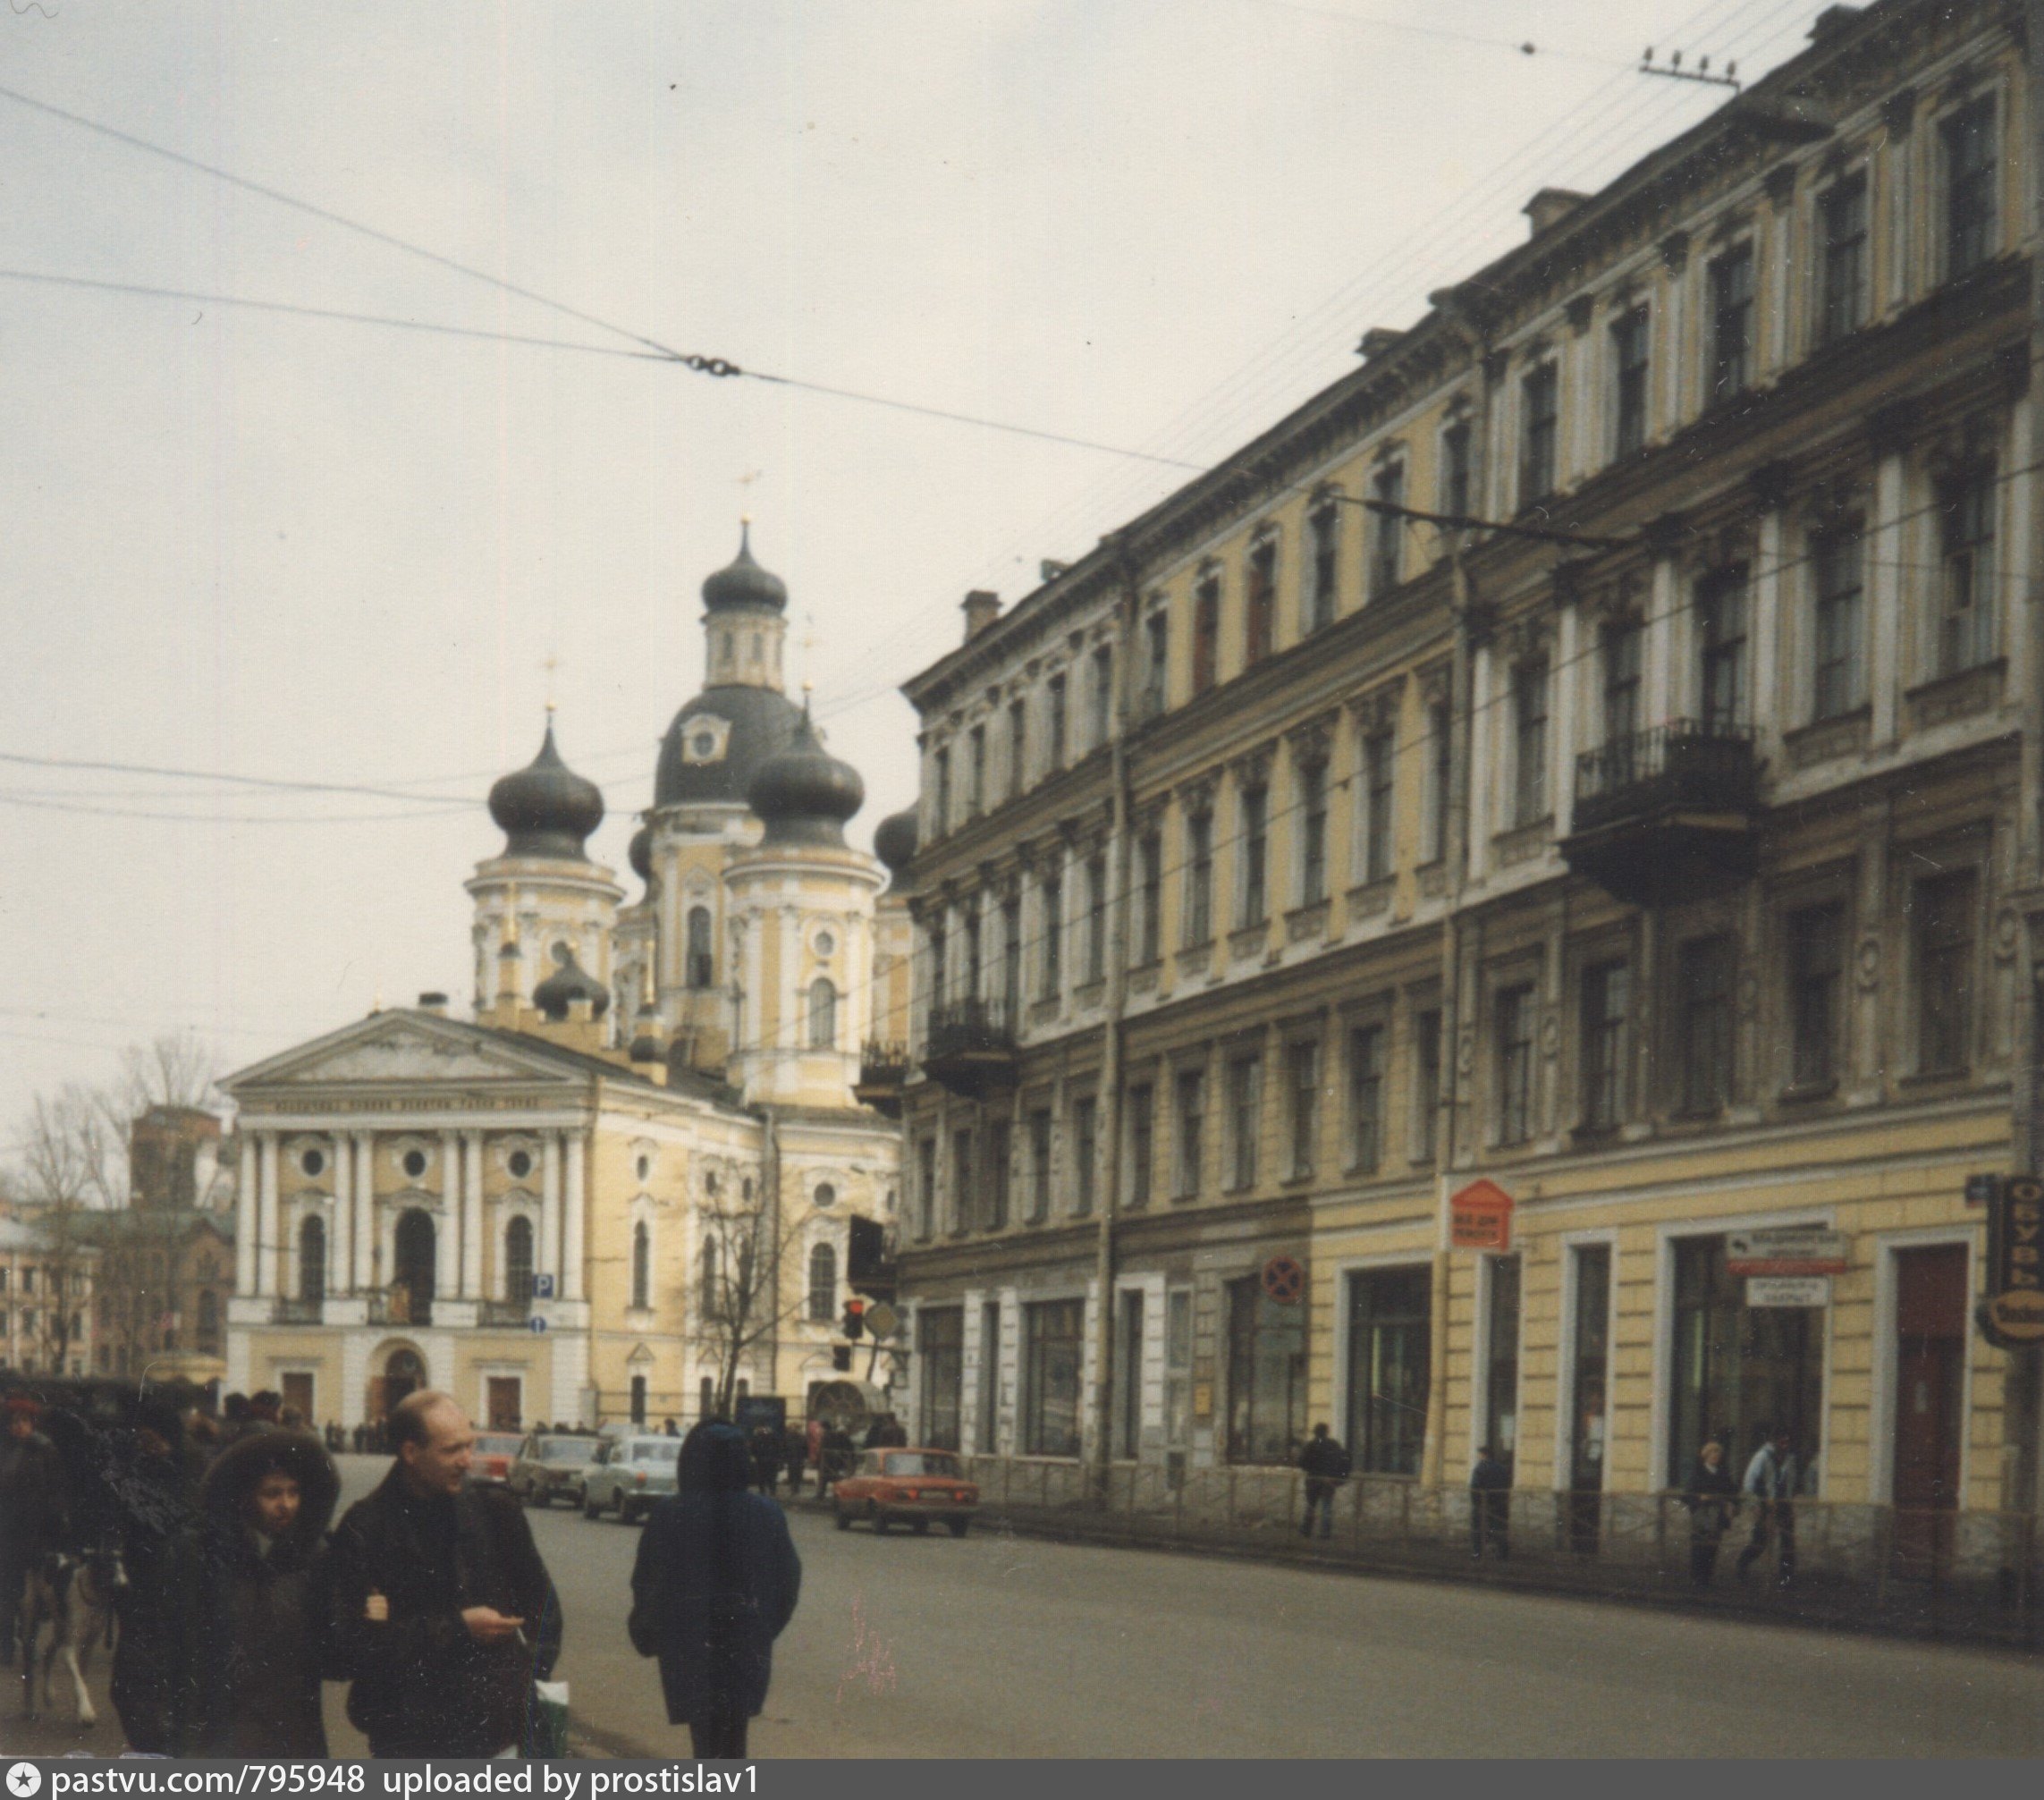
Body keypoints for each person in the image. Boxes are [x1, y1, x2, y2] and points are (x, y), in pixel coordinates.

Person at [325, 1390, 562, 1758]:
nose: (467, 1461)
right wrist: (457, 1628)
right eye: (452, 1450)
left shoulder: (494, 1511)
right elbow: (348, 1646)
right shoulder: (365, 1527)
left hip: (500, 1737)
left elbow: (545, 1611)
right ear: (410, 1452)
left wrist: (523, 1684)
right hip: (409, 1740)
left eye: (469, 1446)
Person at [156, 1429, 339, 1756]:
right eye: (272, 1494)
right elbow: (172, 1653)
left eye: (294, 1492)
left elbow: (333, 1659)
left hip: (293, 1741)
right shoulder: (200, 1555)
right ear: (244, 1498)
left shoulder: (318, 1558)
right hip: (220, 1741)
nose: (286, 1505)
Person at [629, 1422, 802, 1760]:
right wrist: (764, 1627)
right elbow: (787, 1582)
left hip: (688, 1644)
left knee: (704, 1742)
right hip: (745, 1642)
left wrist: (651, 1633)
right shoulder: (766, 1513)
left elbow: (648, 1582)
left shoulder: (669, 1513)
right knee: (735, 1736)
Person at [0, 1396, 69, 1668]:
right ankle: (5, 1646)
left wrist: (54, 1521)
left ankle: (28, 1640)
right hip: (7, 1531)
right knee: (7, 1592)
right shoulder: (4, 1450)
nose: (19, 1427)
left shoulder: (45, 1451)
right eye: (14, 1422)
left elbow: (57, 1489)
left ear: (33, 1423)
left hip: (36, 1532)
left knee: (37, 1594)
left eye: (24, 1421)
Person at [1736, 1424, 1798, 1589]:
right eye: (1782, 1441)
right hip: (1765, 1504)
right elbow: (1749, 1483)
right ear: (1774, 1440)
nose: (1785, 1444)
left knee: (1788, 1542)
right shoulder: (1762, 1456)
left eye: (1788, 1441)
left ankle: (1786, 1579)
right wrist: (1756, 1504)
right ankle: (1741, 1566)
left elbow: (1791, 1482)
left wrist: (1790, 1502)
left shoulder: (1790, 1457)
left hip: (1783, 1504)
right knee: (1760, 1541)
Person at [1682, 1439, 1740, 1590]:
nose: (1715, 1456)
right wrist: (1700, 1498)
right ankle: (1697, 1579)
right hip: (1702, 1514)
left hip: (1718, 1514)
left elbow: (1733, 1492)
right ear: (1705, 1456)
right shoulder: (1698, 1473)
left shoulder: (1723, 1473)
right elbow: (1686, 1495)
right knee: (1700, 1547)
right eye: (1712, 1453)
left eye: (1718, 1453)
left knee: (1713, 1547)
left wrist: (1732, 1504)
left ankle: (1707, 1579)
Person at [1297, 1424, 1350, 1540]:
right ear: (1327, 1431)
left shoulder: (1310, 1445)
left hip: (1313, 1479)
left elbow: (1302, 1462)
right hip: (1329, 1480)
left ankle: (1306, 1529)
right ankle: (1325, 1532)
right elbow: (1342, 1460)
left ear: (1315, 1432)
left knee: (1311, 1505)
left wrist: (1312, 1468)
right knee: (1326, 1506)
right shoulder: (1334, 1444)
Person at [1469, 1444, 1511, 1560]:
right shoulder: (1501, 1468)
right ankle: (1503, 1555)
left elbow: (1475, 1488)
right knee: (1499, 1529)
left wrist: (1476, 1504)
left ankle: (1477, 1555)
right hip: (1500, 1504)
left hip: (1483, 1504)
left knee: (1478, 1530)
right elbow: (1507, 1484)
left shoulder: (1480, 1469)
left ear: (1483, 1454)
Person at [747, 1425, 781, 1497]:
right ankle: (772, 1491)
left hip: (761, 1460)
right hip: (771, 1460)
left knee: (762, 1477)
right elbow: (778, 1448)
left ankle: (763, 1491)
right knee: (771, 1477)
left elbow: (753, 1449)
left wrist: (755, 1456)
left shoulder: (756, 1438)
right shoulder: (773, 1437)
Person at [780, 1424, 808, 1497]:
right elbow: (805, 1449)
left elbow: (784, 1448)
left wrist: (784, 1457)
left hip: (794, 1458)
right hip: (797, 1458)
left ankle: (794, 1488)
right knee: (796, 1473)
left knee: (794, 1473)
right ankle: (795, 1488)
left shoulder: (788, 1437)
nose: (793, 1430)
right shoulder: (802, 1438)